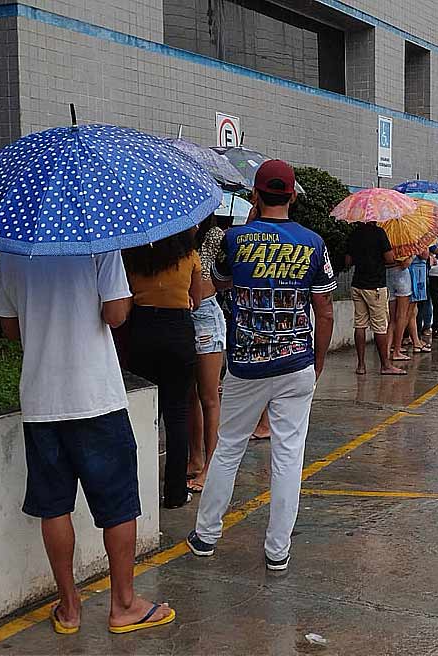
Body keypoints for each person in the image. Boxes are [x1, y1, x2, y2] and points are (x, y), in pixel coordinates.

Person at [0, 251, 174, 635]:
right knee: (118, 503)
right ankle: (124, 605)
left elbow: (10, 327)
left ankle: (70, 606)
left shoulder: (12, 246)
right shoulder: (99, 238)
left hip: (42, 399)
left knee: (54, 504)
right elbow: (115, 314)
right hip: (96, 396)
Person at [188, 159, 335, 572]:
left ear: (255, 195)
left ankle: (206, 535)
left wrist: (247, 231)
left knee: (229, 447)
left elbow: (209, 288)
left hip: (246, 366)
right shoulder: (313, 244)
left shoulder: (234, 241)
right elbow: (324, 311)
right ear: (291, 196)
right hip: (296, 364)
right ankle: (276, 550)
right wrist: (317, 362)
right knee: (288, 456)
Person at [117, 230, 202, 510]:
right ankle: (175, 494)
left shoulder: (134, 256)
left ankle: (139, 490)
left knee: (146, 416)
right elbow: (197, 299)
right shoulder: (190, 256)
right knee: (177, 416)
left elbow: (125, 302)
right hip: (178, 332)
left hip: (143, 333)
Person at [187, 217, 226, 495]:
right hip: (180, 314)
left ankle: (210, 464)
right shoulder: (174, 234)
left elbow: (215, 282)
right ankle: (195, 457)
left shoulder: (213, 235)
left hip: (204, 316)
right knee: (190, 395)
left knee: (209, 396)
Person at [345, 221, 404, 376]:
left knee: (360, 324)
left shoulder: (355, 233)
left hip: (357, 284)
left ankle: (361, 365)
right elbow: (390, 258)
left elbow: (348, 261)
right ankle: (385, 365)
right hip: (375, 286)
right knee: (380, 326)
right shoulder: (379, 233)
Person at [386, 251, 415, 363]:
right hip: (402, 277)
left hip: (388, 276)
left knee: (391, 318)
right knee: (401, 316)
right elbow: (405, 264)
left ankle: (387, 350)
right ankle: (397, 351)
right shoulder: (404, 243)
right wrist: (412, 255)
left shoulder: (389, 240)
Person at [406, 250, 431, 352]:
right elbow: (424, 254)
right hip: (415, 274)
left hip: (408, 273)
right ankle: (413, 341)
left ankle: (414, 340)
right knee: (411, 312)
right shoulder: (414, 239)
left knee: (412, 311)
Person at [426, 235, 438, 338]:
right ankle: (435, 328)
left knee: (426, 302)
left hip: (431, 271)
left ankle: (429, 327)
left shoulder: (427, 233)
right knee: (436, 301)